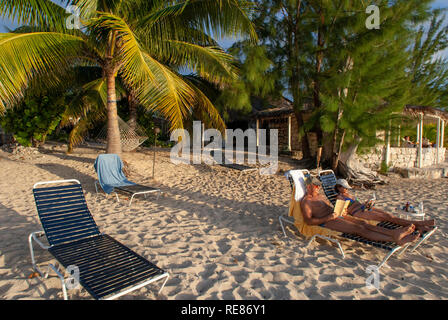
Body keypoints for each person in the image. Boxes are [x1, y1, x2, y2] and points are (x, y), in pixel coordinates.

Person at [300, 176, 420, 246]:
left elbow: (331, 208)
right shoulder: (306, 202)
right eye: (316, 186)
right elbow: (309, 221)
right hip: (327, 221)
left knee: (364, 223)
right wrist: (329, 218)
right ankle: (393, 238)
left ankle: (394, 233)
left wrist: (342, 211)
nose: (319, 187)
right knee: (359, 229)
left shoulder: (319, 196)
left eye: (319, 185)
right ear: (308, 187)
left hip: (337, 215)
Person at [334, 178, 435, 233]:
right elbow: (341, 211)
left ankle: (418, 225)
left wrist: (367, 203)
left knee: (389, 216)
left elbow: (356, 202)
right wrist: (347, 211)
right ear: (338, 187)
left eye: (347, 188)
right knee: (386, 218)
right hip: (359, 212)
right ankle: (419, 225)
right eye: (344, 188)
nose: (346, 189)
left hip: (365, 208)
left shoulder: (348, 194)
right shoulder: (340, 198)